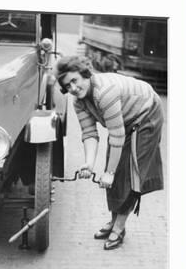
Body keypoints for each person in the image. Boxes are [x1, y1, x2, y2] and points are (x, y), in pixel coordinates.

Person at [54, 55, 164, 250]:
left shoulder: (104, 92)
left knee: (129, 173)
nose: (72, 88)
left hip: (146, 115)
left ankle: (119, 227)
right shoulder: (78, 101)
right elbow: (89, 134)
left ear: (85, 74)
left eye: (74, 81)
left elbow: (116, 136)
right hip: (124, 123)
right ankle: (113, 221)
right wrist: (89, 163)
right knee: (111, 167)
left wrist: (110, 173)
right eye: (67, 85)